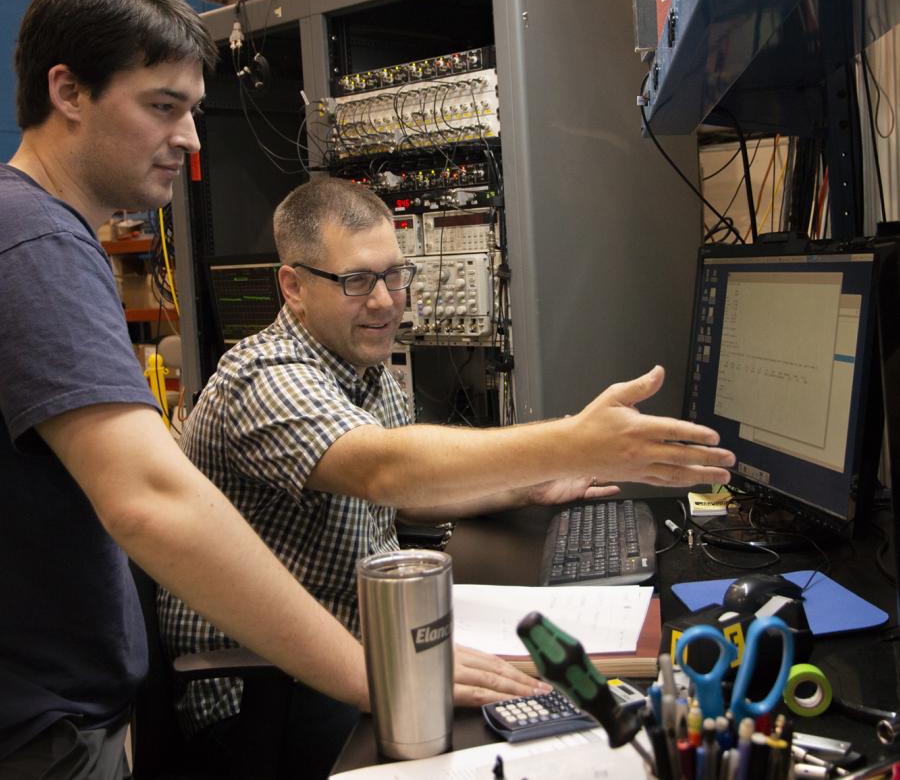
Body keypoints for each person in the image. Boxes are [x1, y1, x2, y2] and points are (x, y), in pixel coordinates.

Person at [0, 0, 544, 780]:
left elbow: (403, 482)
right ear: (68, 91)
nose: (189, 138)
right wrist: (371, 673)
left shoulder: (43, 236)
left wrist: (536, 479)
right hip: (56, 721)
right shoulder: (36, 242)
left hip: (70, 704)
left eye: (190, 110)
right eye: (162, 106)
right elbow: (147, 500)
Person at [159, 177, 736, 767]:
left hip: (358, 647)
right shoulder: (263, 377)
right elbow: (384, 473)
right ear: (294, 286)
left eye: (393, 274)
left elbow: (399, 503)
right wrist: (573, 445)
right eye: (356, 281)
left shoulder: (364, 371)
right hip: (265, 697)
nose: (384, 301)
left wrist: (522, 488)